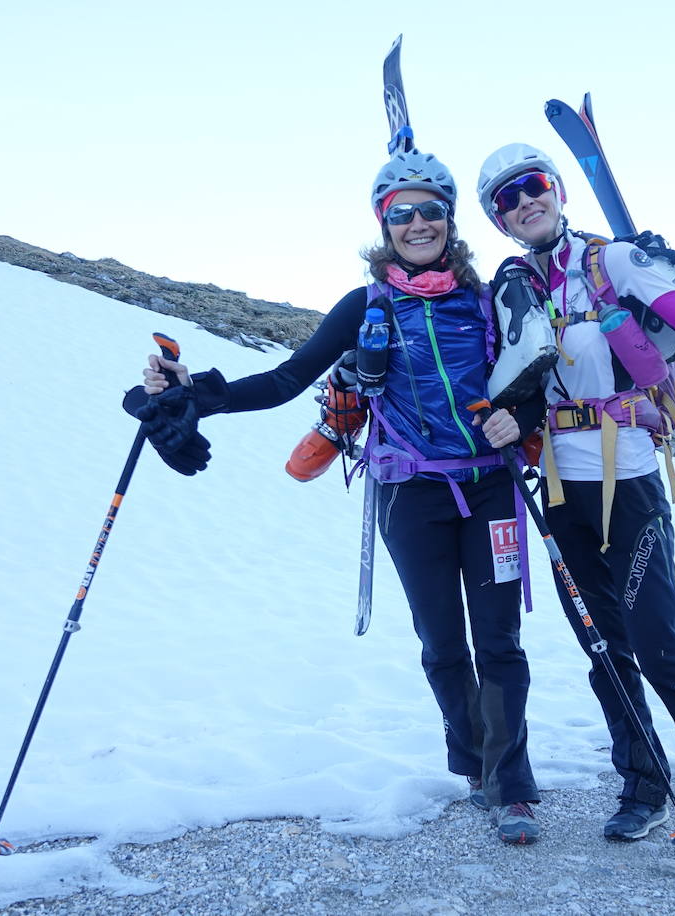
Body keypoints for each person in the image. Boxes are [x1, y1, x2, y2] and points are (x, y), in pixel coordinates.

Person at [123, 150, 545, 844]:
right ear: (385, 225)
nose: (417, 223)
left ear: (449, 221)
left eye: (430, 211)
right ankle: (477, 767)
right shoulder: (365, 306)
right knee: (442, 644)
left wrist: (522, 422)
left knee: (500, 641)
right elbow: (287, 380)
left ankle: (514, 786)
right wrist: (194, 393)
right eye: (401, 213)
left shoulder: (485, 298)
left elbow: (531, 381)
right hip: (410, 495)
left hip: (492, 487)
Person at [473, 143, 675, 851]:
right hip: (564, 489)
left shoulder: (613, 261)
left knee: (659, 644)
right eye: (506, 200)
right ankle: (643, 785)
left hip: (630, 480)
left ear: (559, 191)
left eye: (534, 186)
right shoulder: (512, 292)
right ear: (499, 220)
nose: (524, 203)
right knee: (604, 649)